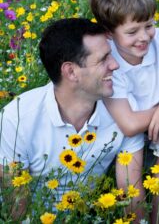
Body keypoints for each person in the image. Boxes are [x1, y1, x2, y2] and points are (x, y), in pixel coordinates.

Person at [0, 18, 145, 220]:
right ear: (71, 71)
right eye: (103, 59)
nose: (114, 65)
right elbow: (17, 207)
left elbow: (131, 192)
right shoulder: (17, 118)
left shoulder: (125, 110)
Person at [89, 0, 159, 223]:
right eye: (132, 31)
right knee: (130, 169)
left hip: (158, 115)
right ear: (109, 33)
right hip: (121, 119)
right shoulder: (109, 59)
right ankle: (136, 219)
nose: (144, 36)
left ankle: (158, 219)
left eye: (149, 25)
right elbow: (129, 125)